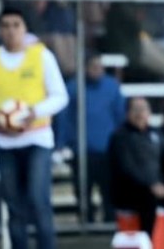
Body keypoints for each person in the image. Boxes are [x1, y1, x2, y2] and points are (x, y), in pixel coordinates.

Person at [0, 7, 68, 249]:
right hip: (5, 142)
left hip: (37, 138)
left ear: (25, 28)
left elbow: (60, 96)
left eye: (16, 25)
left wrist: (34, 112)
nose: (10, 31)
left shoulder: (41, 56)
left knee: (38, 200)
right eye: (5, 25)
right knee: (13, 205)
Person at [58, 52, 125, 223]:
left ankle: (109, 224)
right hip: (81, 150)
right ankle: (85, 223)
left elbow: (120, 115)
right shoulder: (74, 88)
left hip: (106, 150)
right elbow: (65, 117)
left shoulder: (112, 87)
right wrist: (64, 143)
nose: (97, 70)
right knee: (82, 191)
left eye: (99, 67)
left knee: (109, 191)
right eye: (93, 67)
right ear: (85, 68)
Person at [108, 97, 164, 235]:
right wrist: (151, 184)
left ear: (149, 113)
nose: (140, 114)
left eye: (143, 109)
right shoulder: (120, 137)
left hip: (157, 184)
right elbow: (127, 168)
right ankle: (150, 239)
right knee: (148, 198)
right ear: (127, 113)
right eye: (135, 110)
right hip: (133, 190)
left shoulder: (155, 134)